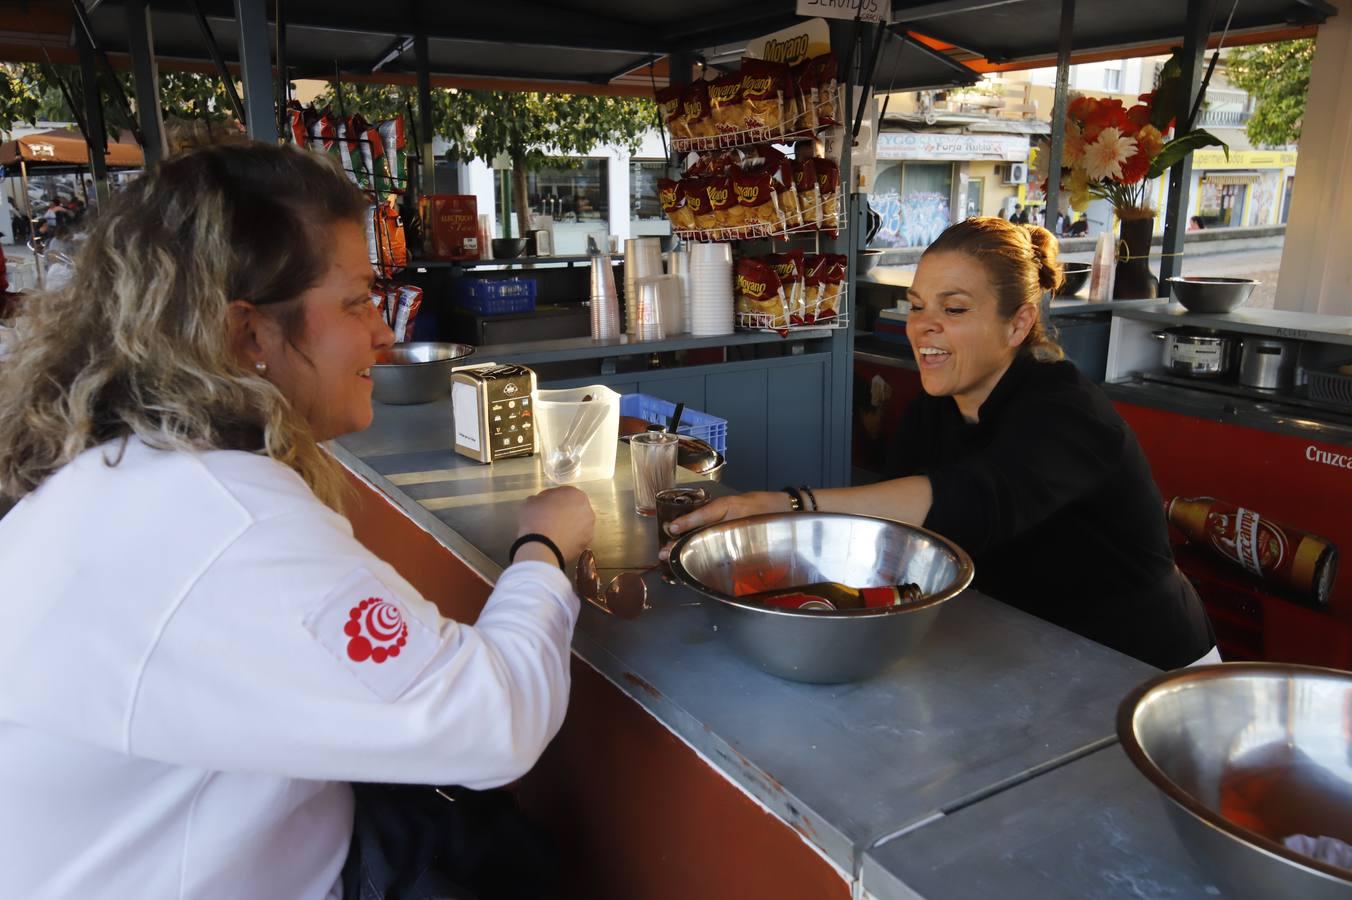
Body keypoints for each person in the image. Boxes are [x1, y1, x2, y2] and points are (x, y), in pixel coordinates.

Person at [0, 143, 596, 899]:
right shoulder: (220, 524)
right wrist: (543, 547)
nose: (383, 332)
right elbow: (495, 720)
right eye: (355, 301)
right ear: (250, 337)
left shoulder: (129, 469)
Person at [668, 217, 1216, 671]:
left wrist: (786, 506)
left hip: (1143, 664)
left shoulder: (1068, 413)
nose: (923, 327)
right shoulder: (936, 408)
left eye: (953, 310)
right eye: (916, 305)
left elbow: (970, 501)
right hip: (1027, 648)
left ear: (1018, 323)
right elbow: (898, 541)